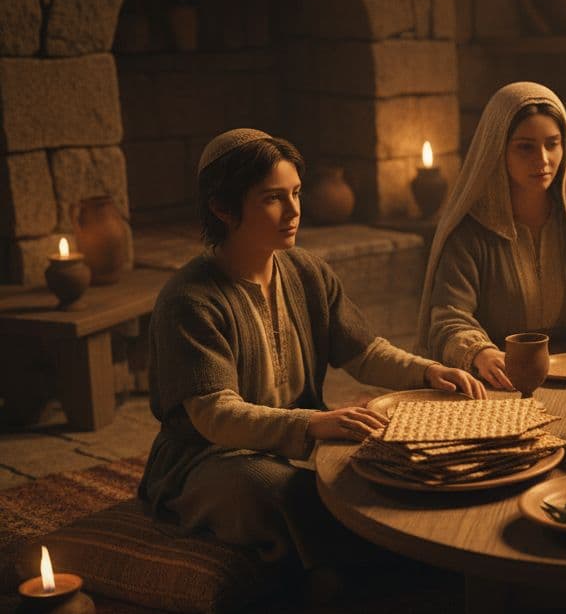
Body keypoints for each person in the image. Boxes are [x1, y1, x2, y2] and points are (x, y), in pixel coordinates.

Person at [139, 128, 485, 575]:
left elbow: (364, 352)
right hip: (209, 459)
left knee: (393, 471)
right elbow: (214, 416)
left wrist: (428, 372)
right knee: (278, 492)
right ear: (223, 207)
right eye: (272, 198)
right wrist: (317, 423)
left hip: (300, 443)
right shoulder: (190, 299)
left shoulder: (306, 271)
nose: (294, 210)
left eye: (297, 193)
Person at [416, 82, 566, 389]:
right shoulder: (471, 233)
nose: (542, 159)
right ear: (497, 149)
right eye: (525, 147)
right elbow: (448, 317)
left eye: (552, 143)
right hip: (497, 383)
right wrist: (481, 352)